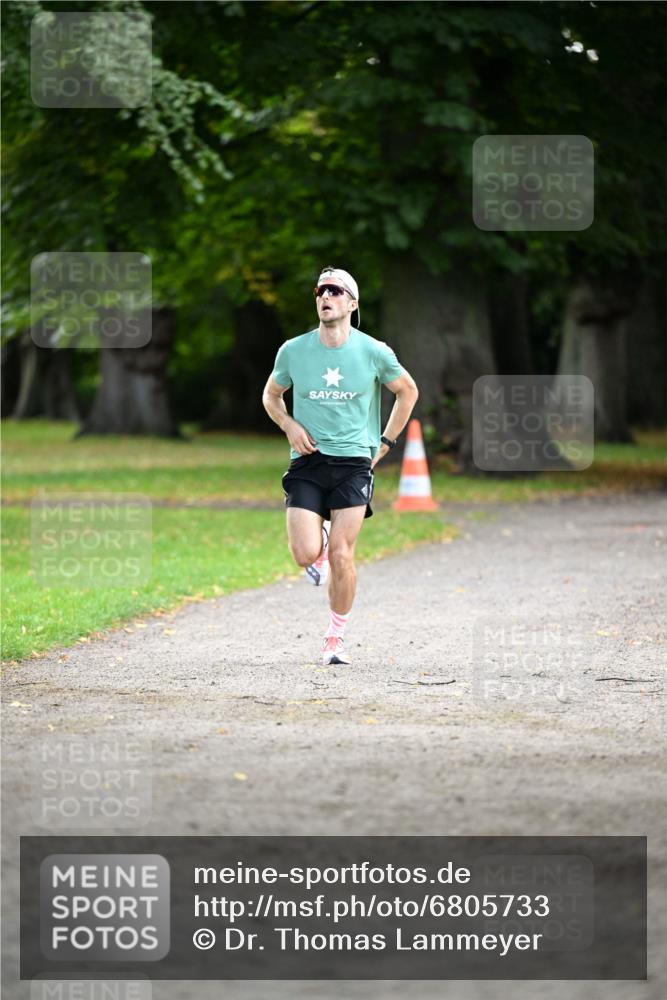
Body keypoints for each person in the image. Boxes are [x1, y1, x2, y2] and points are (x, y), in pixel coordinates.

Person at [262, 267, 419, 665]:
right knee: (304, 553)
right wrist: (289, 425)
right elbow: (271, 395)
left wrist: (386, 441)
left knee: (342, 555)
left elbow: (407, 391)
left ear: (352, 304)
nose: (325, 296)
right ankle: (318, 547)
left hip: (352, 462)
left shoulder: (374, 351)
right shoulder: (292, 350)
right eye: (320, 290)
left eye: (335, 290)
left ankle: (335, 637)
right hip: (308, 461)